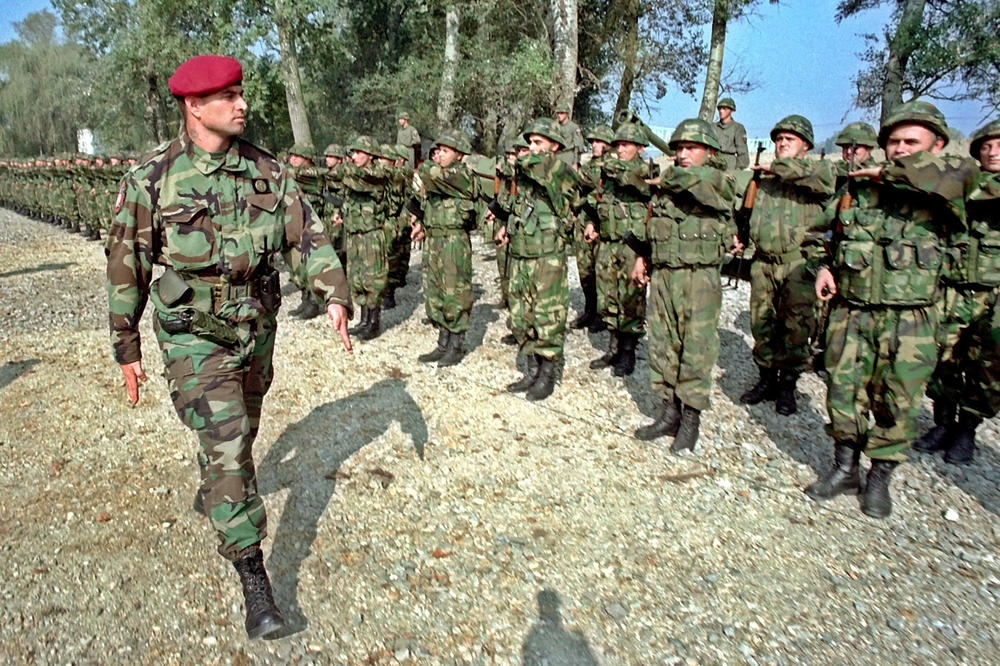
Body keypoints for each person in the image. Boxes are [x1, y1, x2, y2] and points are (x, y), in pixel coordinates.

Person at [104, 55, 353, 639]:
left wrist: (334, 293)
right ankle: (253, 574)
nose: (243, 105)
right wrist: (126, 343)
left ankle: (221, 484)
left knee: (244, 426)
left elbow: (306, 237)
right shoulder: (152, 180)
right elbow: (126, 267)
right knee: (228, 438)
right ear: (194, 106)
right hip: (193, 332)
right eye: (229, 97)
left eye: (242, 95)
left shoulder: (268, 171)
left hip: (255, 325)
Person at [805, 100, 979, 518]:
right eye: (894, 142)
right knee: (843, 394)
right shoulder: (858, 190)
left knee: (898, 401)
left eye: (911, 142)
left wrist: (888, 172)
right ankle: (845, 468)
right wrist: (823, 267)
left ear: (938, 145)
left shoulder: (948, 187)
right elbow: (817, 235)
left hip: (912, 317)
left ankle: (880, 478)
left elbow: (960, 176)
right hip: (853, 311)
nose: (900, 149)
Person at [632, 119, 740, 452]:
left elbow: (704, 184)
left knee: (697, 348)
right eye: (678, 148)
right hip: (665, 275)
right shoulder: (669, 188)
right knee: (663, 344)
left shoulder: (719, 181)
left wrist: (665, 178)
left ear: (709, 151)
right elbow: (654, 226)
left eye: (691, 148)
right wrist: (643, 259)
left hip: (699, 278)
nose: (682, 154)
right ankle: (669, 412)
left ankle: (691, 419)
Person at [912, 119, 1000, 465]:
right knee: (942, 357)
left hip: (995, 292)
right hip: (954, 286)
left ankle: (968, 429)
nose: (992, 151)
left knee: (989, 366)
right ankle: (943, 422)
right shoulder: (963, 178)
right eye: (986, 146)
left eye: (999, 145)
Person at [739, 115, 836, 415]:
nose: (781, 143)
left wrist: (777, 167)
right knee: (762, 324)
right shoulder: (765, 180)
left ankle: (787, 387)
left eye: (789, 139)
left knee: (796, 329)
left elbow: (825, 180)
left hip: (798, 265)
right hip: (764, 264)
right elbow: (745, 212)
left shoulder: (817, 174)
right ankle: (766, 379)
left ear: (805, 146)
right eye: (779, 139)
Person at [491, 118, 579, 400]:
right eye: (528, 143)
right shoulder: (528, 177)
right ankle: (531, 370)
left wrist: (517, 161)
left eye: (537, 143)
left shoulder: (558, 169)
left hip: (547, 258)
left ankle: (547, 374)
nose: (530, 148)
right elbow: (519, 208)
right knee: (521, 315)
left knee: (548, 316)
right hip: (522, 254)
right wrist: (507, 226)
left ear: (554, 146)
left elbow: (531, 166)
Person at [584, 122, 653, 377]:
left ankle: (628, 351)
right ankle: (613, 347)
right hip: (607, 242)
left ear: (640, 148)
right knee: (608, 296)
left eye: (626, 145)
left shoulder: (645, 171)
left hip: (631, 246)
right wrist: (592, 222)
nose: (620, 149)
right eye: (618, 145)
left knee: (631, 299)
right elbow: (597, 199)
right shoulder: (608, 176)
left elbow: (633, 180)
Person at [410, 130, 482, 366]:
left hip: (453, 242)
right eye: (437, 151)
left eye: (445, 151)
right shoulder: (438, 180)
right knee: (435, 290)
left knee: (455, 293)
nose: (438, 155)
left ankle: (456, 345)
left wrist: (424, 165)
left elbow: (428, 173)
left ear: (459, 155)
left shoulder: (463, 175)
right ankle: (443, 343)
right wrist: (423, 224)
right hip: (435, 239)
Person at [335, 135, 391, 340]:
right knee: (357, 277)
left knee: (373, 278)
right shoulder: (355, 174)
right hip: (355, 233)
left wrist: (345, 169)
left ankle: (374, 322)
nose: (355, 156)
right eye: (353, 152)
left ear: (371, 155)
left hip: (371, 234)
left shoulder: (378, 173)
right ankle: (364, 319)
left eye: (359, 152)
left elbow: (358, 180)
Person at [573, 125, 614, 331]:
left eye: (599, 141)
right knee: (584, 269)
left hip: (600, 223)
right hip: (583, 220)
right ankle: (590, 309)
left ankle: (601, 313)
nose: (595, 145)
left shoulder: (612, 166)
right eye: (593, 142)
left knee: (601, 271)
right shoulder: (589, 165)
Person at [285, 143, 327, 320]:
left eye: (297, 156)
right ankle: (306, 299)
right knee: (298, 266)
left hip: (310, 226)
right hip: (297, 225)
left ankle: (315, 303)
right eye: (291, 155)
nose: (292, 159)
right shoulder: (295, 173)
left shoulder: (312, 174)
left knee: (311, 265)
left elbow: (290, 174)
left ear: (308, 159)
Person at [715, 97, 749, 170]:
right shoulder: (713, 127)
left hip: (729, 164)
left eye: (724, 109)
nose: (721, 111)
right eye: (719, 109)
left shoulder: (738, 128)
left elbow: (742, 151)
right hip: (714, 162)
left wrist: (738, 170)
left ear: (731, 110)